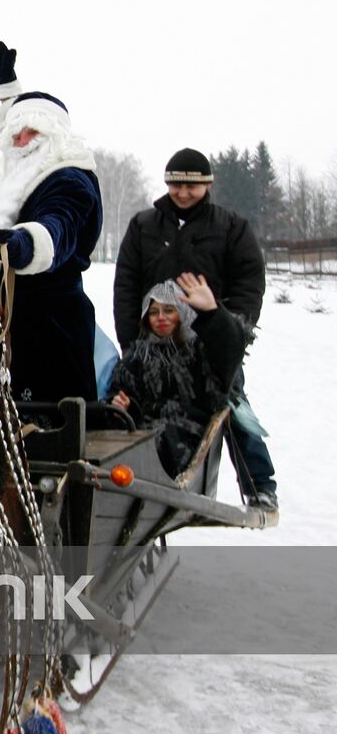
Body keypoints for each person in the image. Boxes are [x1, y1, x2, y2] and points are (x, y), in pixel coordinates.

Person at [112, 148, 276, 511]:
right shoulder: (144, 226)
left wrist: (230, 327)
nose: (183, 193)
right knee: (140, 406)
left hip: (210, 342)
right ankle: (139, 478)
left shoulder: (231, 227)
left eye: (192, 186)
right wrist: (131, 342)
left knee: (232, 408)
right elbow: (126, 284)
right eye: (175, 184)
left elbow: (250, 282)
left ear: (208, 184)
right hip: (155, 341)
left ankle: (259, 485)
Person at [0, 41, 103, 403]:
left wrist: (25, 243)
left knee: (49, 421)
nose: (21, 141)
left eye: (32, 133)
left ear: (54, 135)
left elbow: (60, 224)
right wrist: (4, 82)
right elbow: (18, 115)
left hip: (52, 321)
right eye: (16, 135)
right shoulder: (25, 170)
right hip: (11, 314)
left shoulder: (70, 176)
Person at [109, 273, 248, 477]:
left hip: (187, 437)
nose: (161, 318)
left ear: (182, 312)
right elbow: (122, 394)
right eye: (154, 312)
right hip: (142, 436)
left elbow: (230, 350)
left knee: (157, 442)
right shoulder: (137, 358)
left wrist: (212, 313)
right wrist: (121, 406)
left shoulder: (199, 351)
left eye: (169, 310)